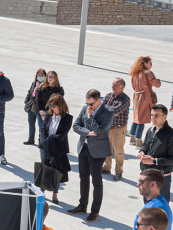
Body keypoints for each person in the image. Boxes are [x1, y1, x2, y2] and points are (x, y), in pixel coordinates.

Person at [70, 89, 114, 222]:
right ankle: (82, 205)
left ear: (99, 100)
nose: (89, 106)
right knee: (83, 178)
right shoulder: (85, 108)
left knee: (96, 181)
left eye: (91, 104)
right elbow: (76, 126)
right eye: (87, 103)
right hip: (83, 147)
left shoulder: (108, 112)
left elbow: (100, 130)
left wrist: (90, 117)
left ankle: (95, 211)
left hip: (97, 151)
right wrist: (88, 133)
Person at [137, 104, 173, 201]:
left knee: (159, 209)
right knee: (148, 208)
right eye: (152, 115)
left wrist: (154, 161)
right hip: (147, 174)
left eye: (156, 115)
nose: (153, 118)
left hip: (161, 178)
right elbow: (145, 145)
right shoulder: (150, 130)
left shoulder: (172, 135)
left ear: (165, 117)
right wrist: (142, 152)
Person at [40, 94, 73, 205]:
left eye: (54, 105)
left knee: (57, 172)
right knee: (45, 170)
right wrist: (45, 141)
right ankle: (42, 192)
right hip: (47, 146)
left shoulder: (68, 118)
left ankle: (55, 194)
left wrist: (50, 141)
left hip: (58, 148)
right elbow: (43, 129)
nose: (52, 108)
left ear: (60, 105)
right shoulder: (49, 115)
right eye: (50, 105)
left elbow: (62, 135)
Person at [103, 78, 131, 182]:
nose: (113, 86)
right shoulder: (108, 96)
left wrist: (107, 109)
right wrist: (108, 110)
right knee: (107, 149)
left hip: (119, 128)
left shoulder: (125, 99)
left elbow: (116, 110)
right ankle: (106, 168)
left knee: (118, 151)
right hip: (108, 127)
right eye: (113, 84)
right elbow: (102, 108)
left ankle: (118, 171)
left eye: (116, 85)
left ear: (122, 87)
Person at [129, 55, 161, 146]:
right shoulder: (148, 73)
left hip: (136, 96)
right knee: (141, 119)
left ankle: (132, 138)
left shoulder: (134, 73)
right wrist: (158, 80)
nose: (151, 65)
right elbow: (157, 84)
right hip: (145, 97)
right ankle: (138, 140)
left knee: (136, 118)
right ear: (145, 63)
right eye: (150, 63)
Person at [35, 71, 64, 144]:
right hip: (42, 112)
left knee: (51, 131)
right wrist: (42, 112)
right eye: (49, 77)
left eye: (52, 77)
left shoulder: (59, 89)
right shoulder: (41, 88)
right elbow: (37, 101)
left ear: (55, 78)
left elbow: (59, 102)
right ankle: (42, 147)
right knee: (42, 130)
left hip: (53, 113)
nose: (50, 78)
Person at [24, 68, 47, 146]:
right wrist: (26, 100)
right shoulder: (34, 83)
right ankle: (31, 138)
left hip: (39, 108)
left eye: (42, 74)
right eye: (38, 74)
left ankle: (41, 140)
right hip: (31, 106)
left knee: (41, 125)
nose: (40, 76)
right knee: (31, 123)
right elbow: (29, 91)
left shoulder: (46, 85)